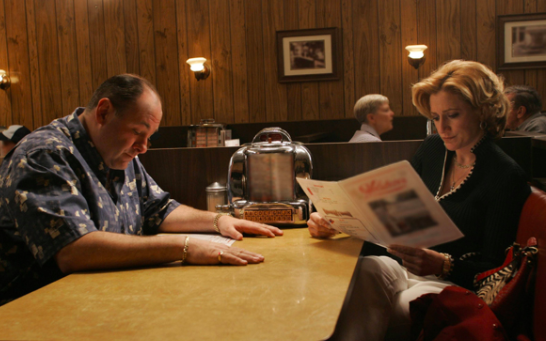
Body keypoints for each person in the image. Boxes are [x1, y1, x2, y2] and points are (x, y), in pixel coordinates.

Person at [0, 74, 283, 305]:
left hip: (103, 299)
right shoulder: (43, 154)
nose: (144, 147)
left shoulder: (118, 152)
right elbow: (73, 250)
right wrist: (184, 246)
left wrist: (219, 221)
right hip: (33, 311)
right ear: (103, 112)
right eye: (138, 131)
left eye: (149, 137)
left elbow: (157, 208)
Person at [308, 60, 531, 340]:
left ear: (483, 111)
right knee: (367, 269)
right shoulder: (433, 149)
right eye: (436, 117)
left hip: (453, 283)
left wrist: (443, 265)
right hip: (404, 265)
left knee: (401, 307)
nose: (442, 128)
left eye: (452, 115)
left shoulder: (504, 175)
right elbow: (392, 214)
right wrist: (339, 222)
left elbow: (494, 270)